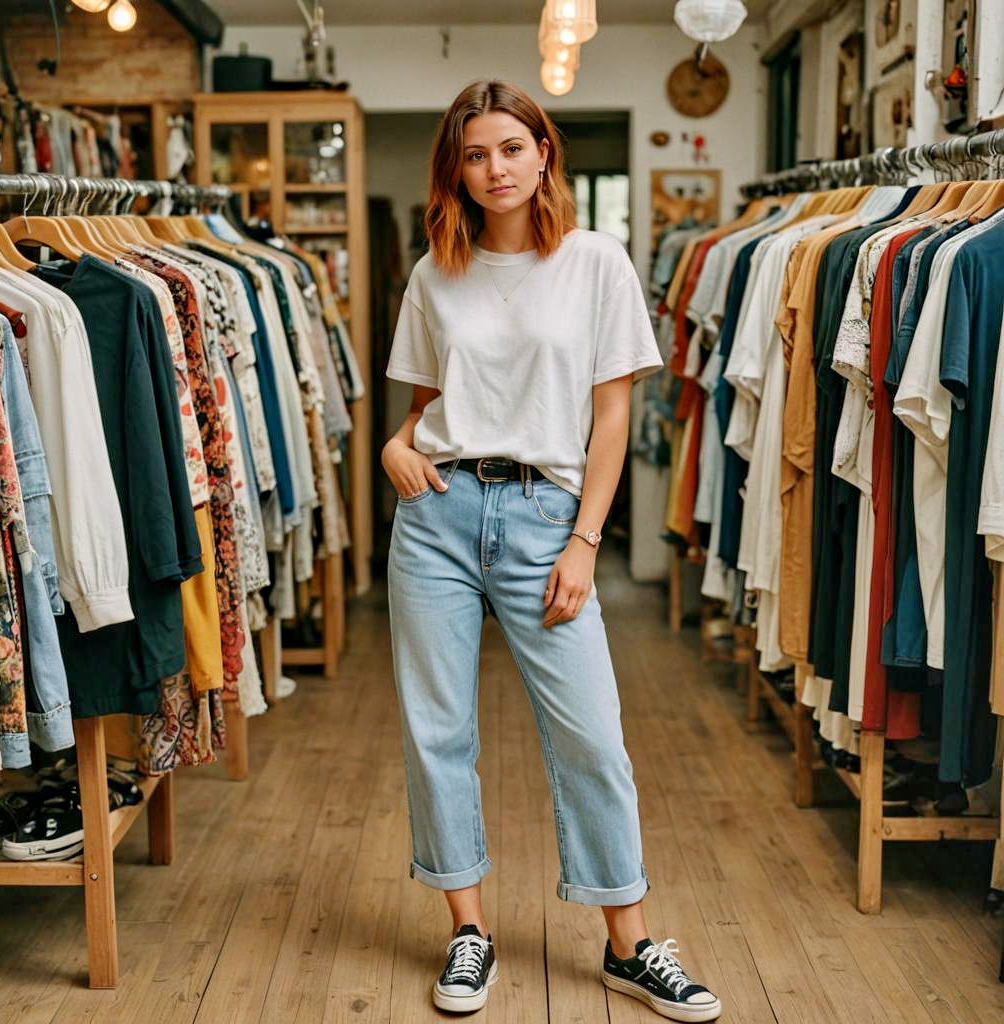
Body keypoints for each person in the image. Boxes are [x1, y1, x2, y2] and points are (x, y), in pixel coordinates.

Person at [381, 79, 722, 1022]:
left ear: (543, 154)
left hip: (546, 517)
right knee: (437, 728)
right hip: (439, 515)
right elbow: (416, 415)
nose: (494, 169)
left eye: (510, 149)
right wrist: (392, 447)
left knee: (592, 738)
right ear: (457, 165)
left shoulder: (595, 263)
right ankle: (468, 934)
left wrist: (584, 542)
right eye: (475, 154)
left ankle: (632, 945)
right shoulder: (433, 273)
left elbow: (612, 419)